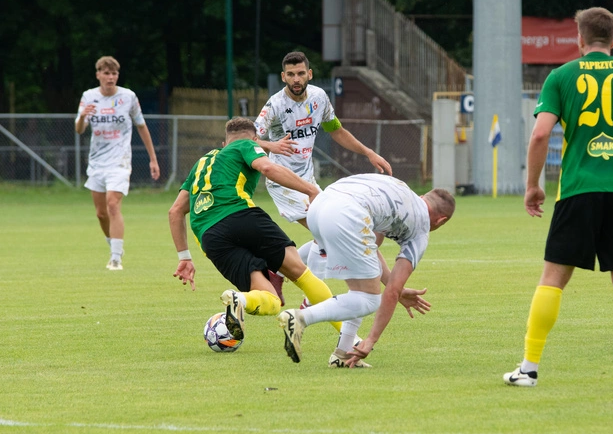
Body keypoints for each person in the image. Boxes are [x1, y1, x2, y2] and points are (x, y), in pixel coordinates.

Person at [503, 7, 613, 390]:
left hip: (577, 191)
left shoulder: (560, 76)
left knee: (553, 278)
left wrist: (533, 184)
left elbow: (539, 135)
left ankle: (529, 369)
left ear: (579, 40)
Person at [168, 118, 353, 367]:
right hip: (241, 215)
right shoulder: (247, 145)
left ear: (224, 142)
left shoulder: (202, 162)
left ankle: (241, 300)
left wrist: (184, 258)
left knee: (270, 300)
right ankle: (348, 338)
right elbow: (267, 169)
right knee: (301, 273)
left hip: (209, 236)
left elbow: (175, 211)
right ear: (253, 139)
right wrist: (311, 190)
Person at [277, 174, 456, 367]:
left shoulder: (400, 189)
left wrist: (398, 290)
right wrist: (371, 340)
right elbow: (392, 292)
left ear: (423, 197)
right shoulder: (420, 229)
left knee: (362, 288)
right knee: (369, 299)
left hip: (319, 204)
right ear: (440, 221)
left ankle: (342, 354)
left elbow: (372, 251)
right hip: (347, 214)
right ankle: (301, 318)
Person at [254, 51, 392, 280]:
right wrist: (271, 145)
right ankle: (318, 298)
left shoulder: (319, 97)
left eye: (300, 73)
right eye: (290, 74)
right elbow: (247, 138)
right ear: (283, 77)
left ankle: (277, 273)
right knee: (333, 231)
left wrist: (368, 152)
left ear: (309, 73)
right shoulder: (275, 105)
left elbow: (336, 130)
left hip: (308, 180)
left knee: (329, 232)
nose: (296, 79)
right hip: (283, 182)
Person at [74, 56, 160, 271]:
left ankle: (115, 259)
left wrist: (153, 159)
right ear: (98, 75)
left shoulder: (128, 97)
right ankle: (114, 244)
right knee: (101, 213)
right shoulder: (88, 97)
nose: (110, 77)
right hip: (96, 162)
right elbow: (79, 129)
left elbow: (141, 126)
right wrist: (82, 117)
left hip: (120, 161)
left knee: (113, 204)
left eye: (114, 74)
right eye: (106, 73)